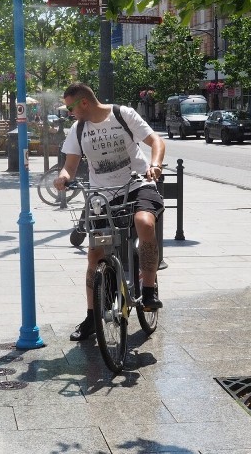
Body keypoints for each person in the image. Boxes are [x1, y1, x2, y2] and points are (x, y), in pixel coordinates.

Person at [53, 82, 166, 342]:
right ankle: (93, 316)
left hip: (137, 185)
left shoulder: (122, 114)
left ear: (83, 103)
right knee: (95, 254)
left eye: (70, 107)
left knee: (144, 223)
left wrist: (156, 165)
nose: (70, 113)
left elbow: (155, 141)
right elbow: (70, 166)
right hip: (102, 196)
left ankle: (148, 291)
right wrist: (63, 176)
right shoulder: (78, 128)